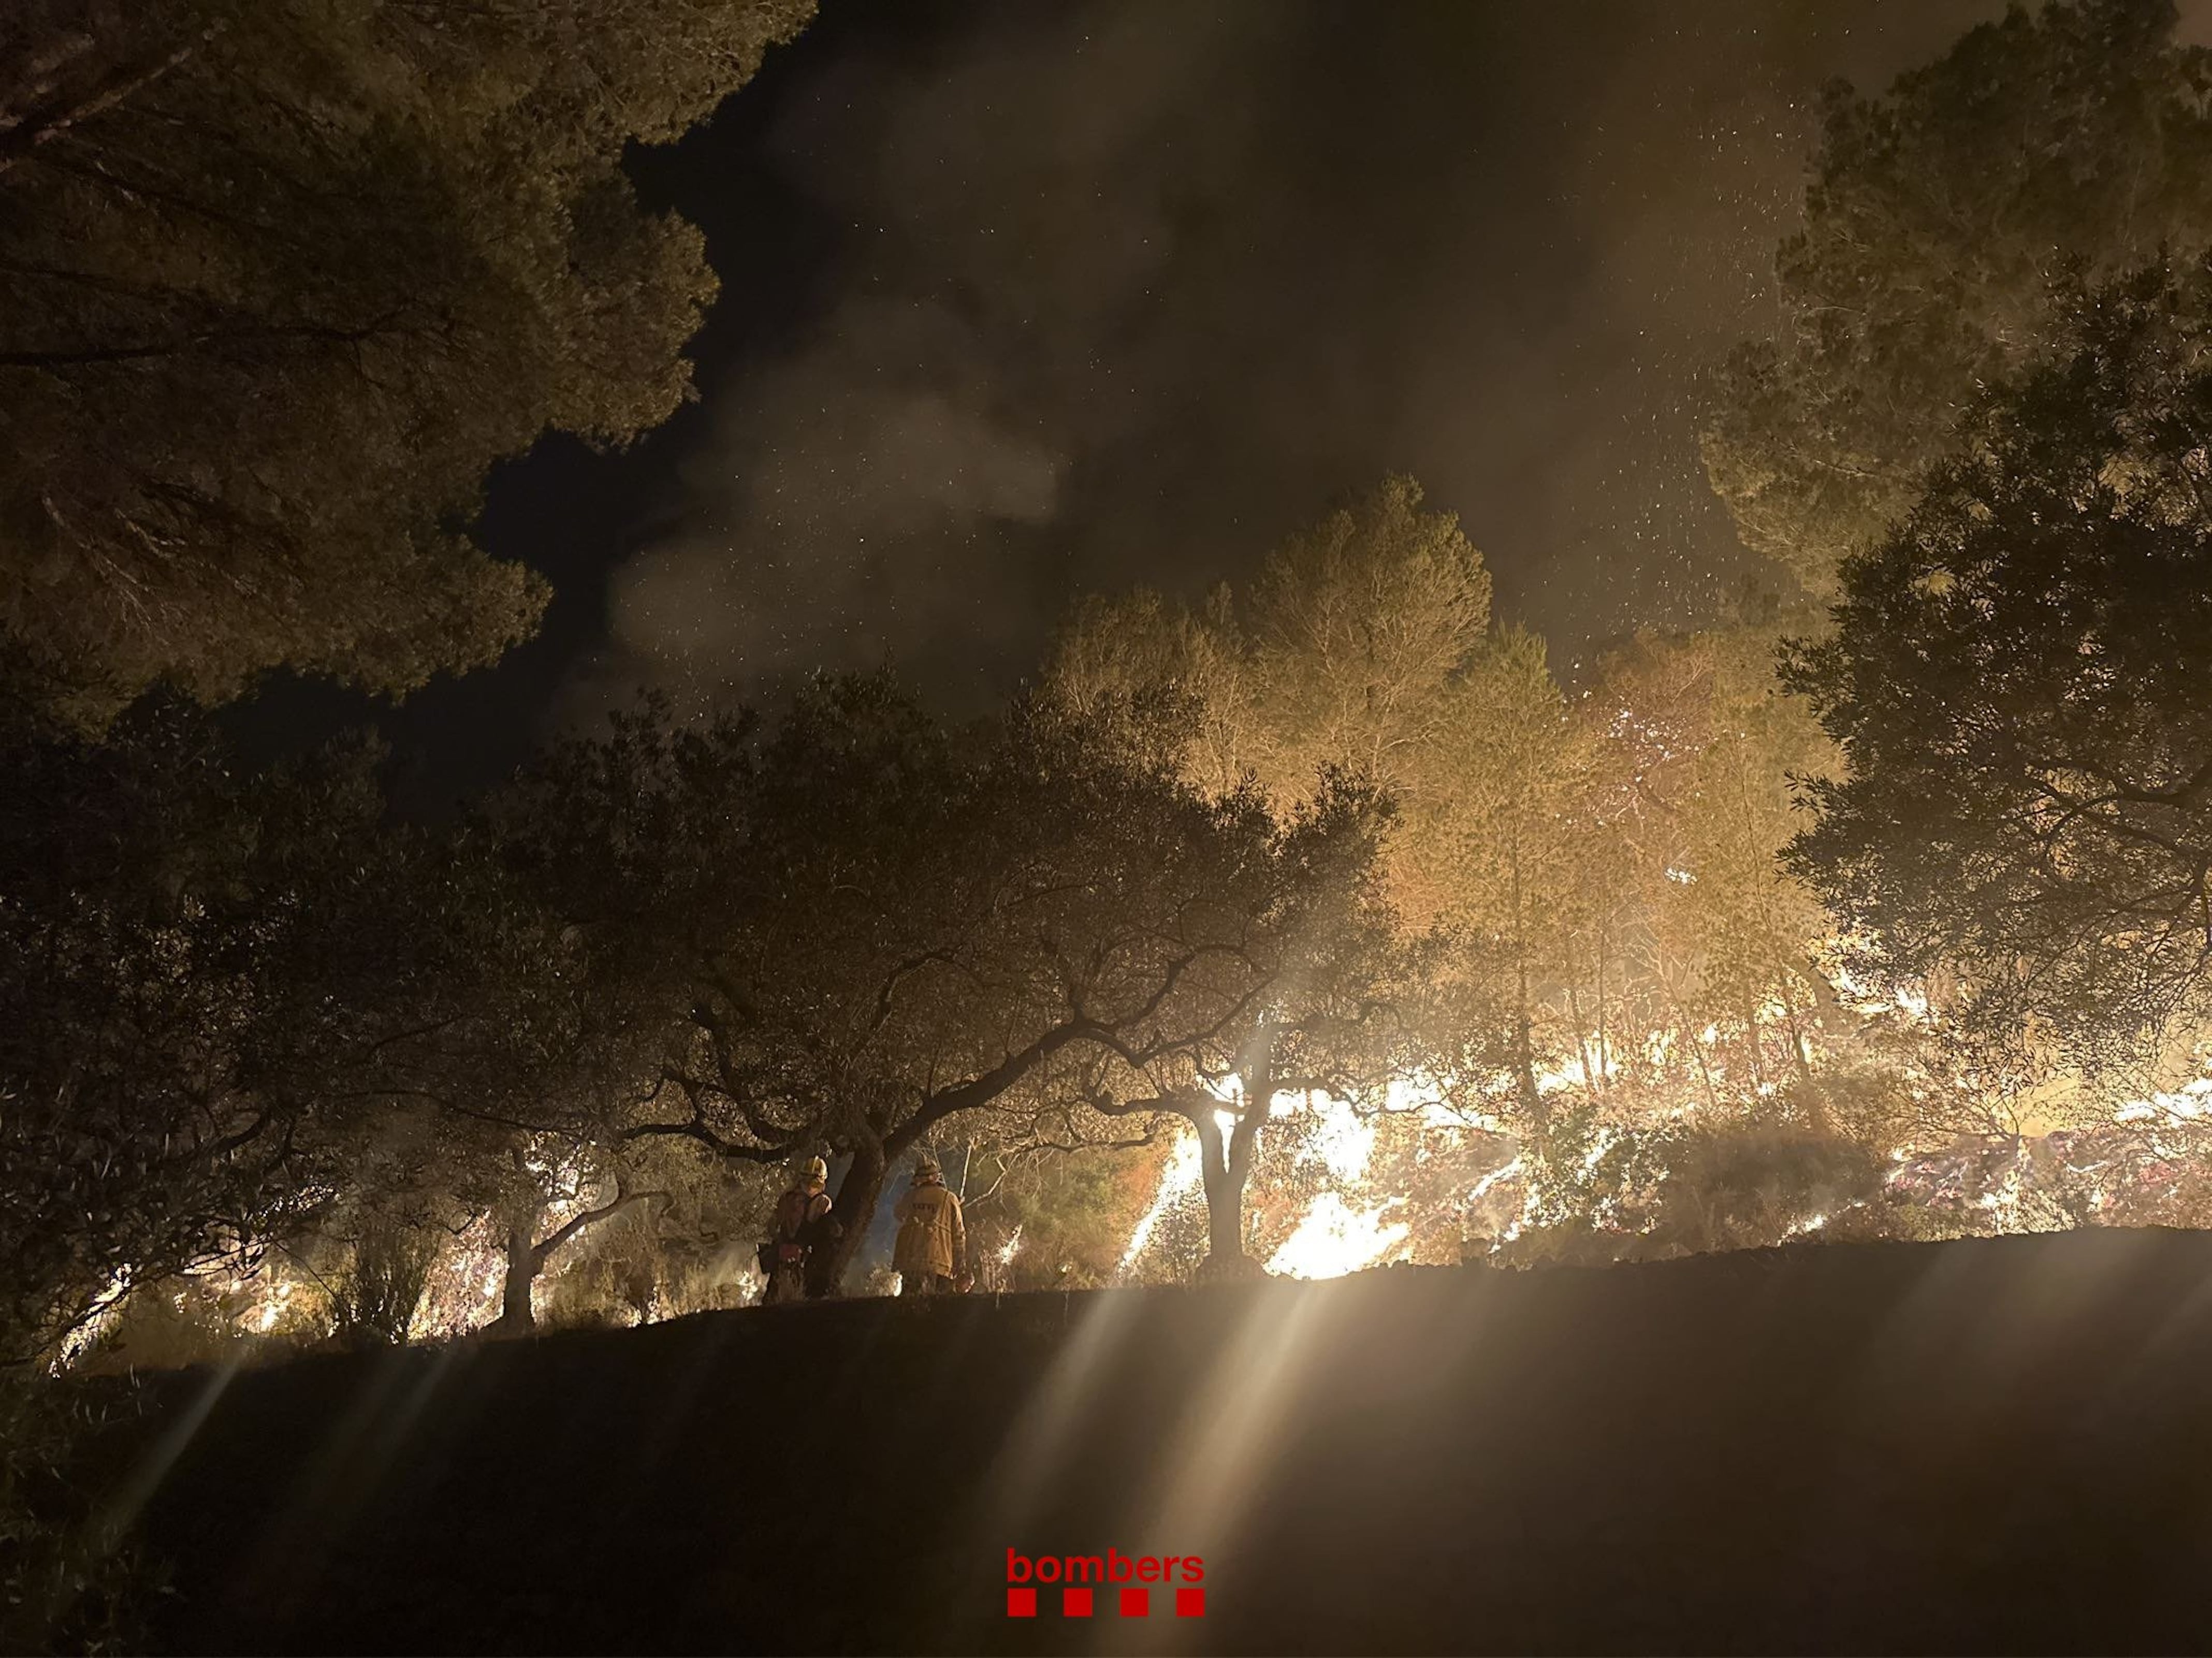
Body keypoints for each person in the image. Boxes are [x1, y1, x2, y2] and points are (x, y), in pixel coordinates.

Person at [760, 1156, 837, 1304]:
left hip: (782, 1257)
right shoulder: (823, 1202)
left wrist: (781, 1243)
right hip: (806, 1259)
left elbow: (772, 1226)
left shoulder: (786, 1198)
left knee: (773, 1298)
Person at [893, 1153, 967, 1297]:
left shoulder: (910, 1197)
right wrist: (960, 1262)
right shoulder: (949, 1198)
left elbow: (898, 1214)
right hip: (940, 1264)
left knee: (909, 1306)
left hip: (911, 1262)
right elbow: (959, 1235)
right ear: (937, 1177)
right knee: (940, 1310)